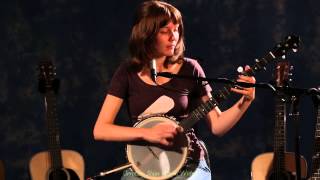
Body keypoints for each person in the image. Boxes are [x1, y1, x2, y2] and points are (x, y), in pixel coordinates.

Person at [93, 1, 256, 179]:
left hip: (188, 164)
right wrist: (148, 133)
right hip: (145, 165)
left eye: (177, 29)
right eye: (165, 31)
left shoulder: (190, 68)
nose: (174, 37)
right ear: (146, 35)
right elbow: (101, 130)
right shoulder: (127, 72)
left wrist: (245, 101)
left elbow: (217, 126)